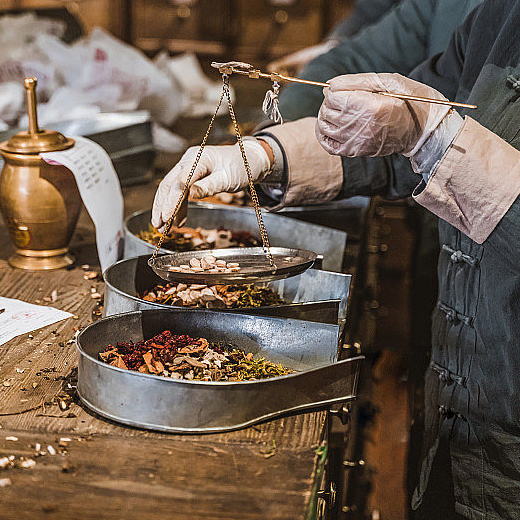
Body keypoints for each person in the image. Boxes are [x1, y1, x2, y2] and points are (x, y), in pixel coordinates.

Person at [153, 0, 520, 517]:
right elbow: (398, 138)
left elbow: (432, 134)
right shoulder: (498, 17)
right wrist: (264, 155)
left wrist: (431, 134)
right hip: (458, 411)